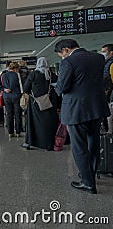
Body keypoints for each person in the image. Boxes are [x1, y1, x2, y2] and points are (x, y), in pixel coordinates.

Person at [54, 39, 110, 194]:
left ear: (65, 50)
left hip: (76, 109)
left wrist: (58, 86)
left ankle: (87, 182)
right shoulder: (98, 58)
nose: (62, 58)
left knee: (79, 147)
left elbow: (61, 87)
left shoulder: (68, 62)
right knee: (94, 143)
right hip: (96, 107)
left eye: (61, 55)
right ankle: (90, 174)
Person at [22, 57, 59, 150]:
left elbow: (26, 88)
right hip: (50, 101)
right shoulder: (52, 75)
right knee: (50, 122)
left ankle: (34, 142)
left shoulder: (33, 74)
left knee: (36, 122)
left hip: (36, 102)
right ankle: (50, 142)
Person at [0, 62, 22, 138]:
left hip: (6, 97)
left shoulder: (3, 75)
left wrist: (4, 89)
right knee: (18, 115)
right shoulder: (17, 75)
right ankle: (18, 132)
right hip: (16, 96)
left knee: (9, 114)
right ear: (16, 68)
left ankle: (10, 132)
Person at [100, 44, 113, 132]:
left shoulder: (111, 64)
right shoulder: (106, 63)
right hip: (107, 92)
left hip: (110, 93)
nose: (102, 53)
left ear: (111, 52)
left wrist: (107, 90)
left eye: (104, 51)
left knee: (110, 118)